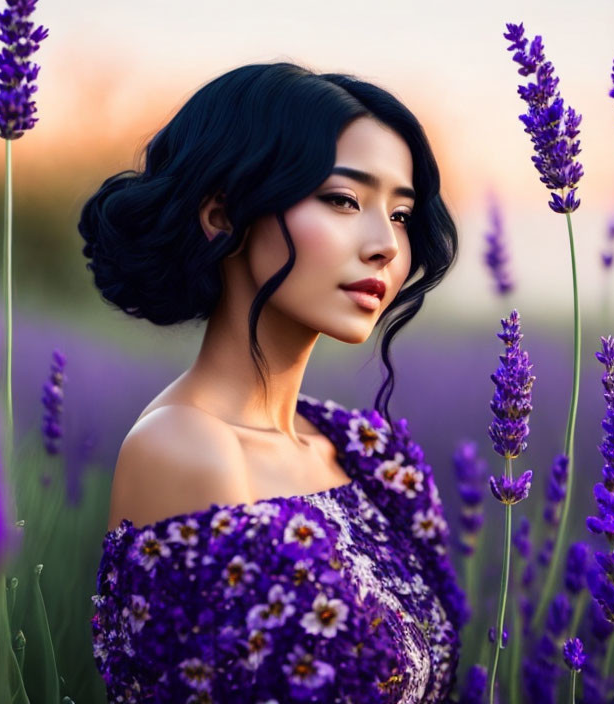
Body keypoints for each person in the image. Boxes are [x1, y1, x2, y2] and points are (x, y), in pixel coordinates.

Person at [79, 62, 466, 703]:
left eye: (399, 214)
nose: (385, 247)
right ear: (222, 214)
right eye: (344, 199)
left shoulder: (356, 450)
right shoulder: (185, 450)